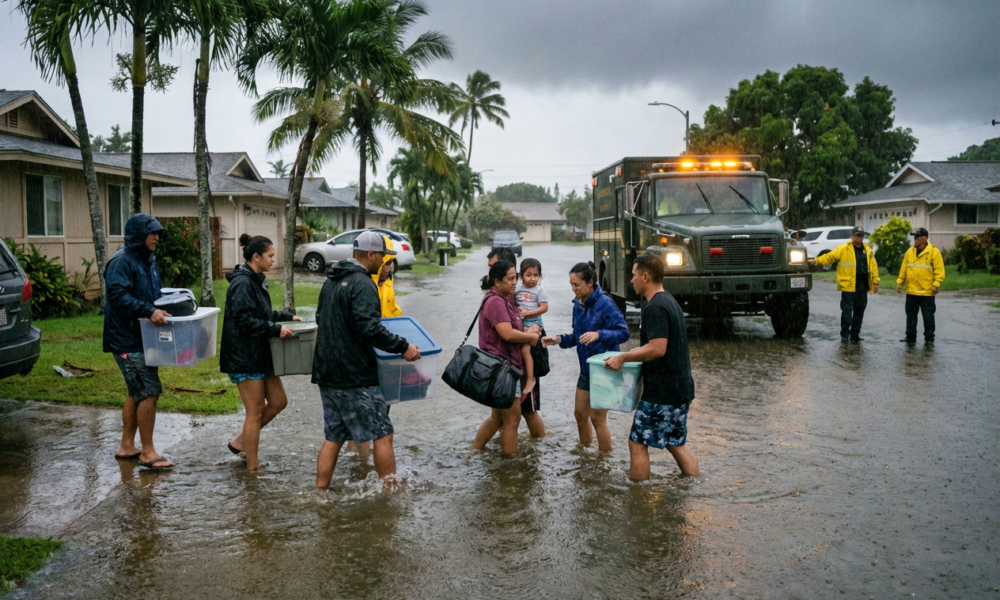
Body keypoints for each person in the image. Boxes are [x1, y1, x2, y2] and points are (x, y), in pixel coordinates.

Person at [313, 231, 421, 488]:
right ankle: (389, 492)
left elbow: (320, 319)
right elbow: (370, 328)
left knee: (334, 437)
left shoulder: (331, 281)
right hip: (355, 376)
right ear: (371, 254)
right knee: (383, 433)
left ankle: (320, 493)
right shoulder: (363, 283)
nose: (384, 261)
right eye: (382, 256)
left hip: (327, 373)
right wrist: (403, 346)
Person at [605, 254, 698, 480]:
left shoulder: (654, 308)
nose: (632, 281)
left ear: (645, 276)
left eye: (634, 276)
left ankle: (639, 500)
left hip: (663, 392)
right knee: (674, 443)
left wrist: (623, 358)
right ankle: (696, 484)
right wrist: (627, 356)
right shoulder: (669, 301)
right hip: (680, 388)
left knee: (637, 443)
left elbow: (657, 348)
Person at [220, 234, 301, 471]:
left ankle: (240, 442)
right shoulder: (242, 283)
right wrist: (275, 329)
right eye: (270, 256)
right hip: (244, 356)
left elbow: (260, 314)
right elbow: (245, 321)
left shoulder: (255, 279)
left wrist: (286, 318)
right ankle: (252, 469)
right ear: (256, 257)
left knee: (278, 401)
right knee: (254, 411)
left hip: (259, 353)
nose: (273, 260)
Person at [105, 213, 173, 471]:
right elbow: (117, 296)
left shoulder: (147, 260)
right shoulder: (122, 261)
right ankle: (148, 452)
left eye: (158, 233)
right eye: (152, 233)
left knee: (136, 392)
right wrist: (148, 310)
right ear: (138, 236)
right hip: (126, 340)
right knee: (148, 390)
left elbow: (152, 294)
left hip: (142, 337)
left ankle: (127, 446)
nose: (157, 237)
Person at [542, 261, 629, 451]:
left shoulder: (605, 303)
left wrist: (600, 334)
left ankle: (603, 462)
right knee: (580, 415)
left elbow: (624, 332)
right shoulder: (578, 306)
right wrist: (559, 340)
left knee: (597, 418)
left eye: (577, 285)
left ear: (590, 282)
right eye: (571, 285)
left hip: (605, 368)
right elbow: (578, 337)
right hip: (586, 369)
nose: (574, 289)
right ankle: (585, 456)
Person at [470, 260, 541, 455]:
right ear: (496, 281)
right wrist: (532, 337)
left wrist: (528, 329)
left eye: (515, 278)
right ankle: (509, 469)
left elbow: (512, 329)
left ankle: (474, 450)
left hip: (499, 369)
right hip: (503, 370)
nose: (514, 283)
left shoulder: (504, 298)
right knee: (512, 420)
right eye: (510, 279)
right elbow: (507, 334)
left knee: (498, 418)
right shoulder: (495, 301)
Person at [348, 235, 403, 461]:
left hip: (386, 352)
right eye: (385, 262)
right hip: (365, 355)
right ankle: (356, 457)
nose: (387, 268)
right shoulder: (362, 284)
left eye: (390, 264)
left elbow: (396, 314)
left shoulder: (388, 284)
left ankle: (368, 452)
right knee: (361, 409)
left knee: (384, 403)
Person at [809, 226, 879, 341]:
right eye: (857, 235)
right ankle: (845, 334)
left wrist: (875, 282)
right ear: (852, 236)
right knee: (847, 311)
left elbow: (874, 267)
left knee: (859, 311)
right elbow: (829, 257)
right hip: (848, 287)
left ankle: (855, 334)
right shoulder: (843, 249)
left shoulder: (868, 251)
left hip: (862, 286)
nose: (860, 238)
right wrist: (816, 261)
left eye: (862, 236)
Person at [514, 258, 547, 437]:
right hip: (521, 328)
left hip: (534, 326)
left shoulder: (539, 290)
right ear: (520, 276)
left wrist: (529, 314)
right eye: (528, 275)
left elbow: (544, 307)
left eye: (536, 275)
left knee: (527, 351)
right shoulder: (516, 290)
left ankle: (530, 378)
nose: (532, 278)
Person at [896, 227, 945, 344]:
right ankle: (910, 337)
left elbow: (939, 271)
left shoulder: (934, 252)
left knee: (928, 317)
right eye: (914, 237)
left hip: (927, 292)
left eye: (917, 237)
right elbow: (904, 269)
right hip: (912, 291)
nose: (915, 239)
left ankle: (929, 339)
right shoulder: (909, 252)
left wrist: (936, 284)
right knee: (911, 316)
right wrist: (899, 282)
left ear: (924, 238)